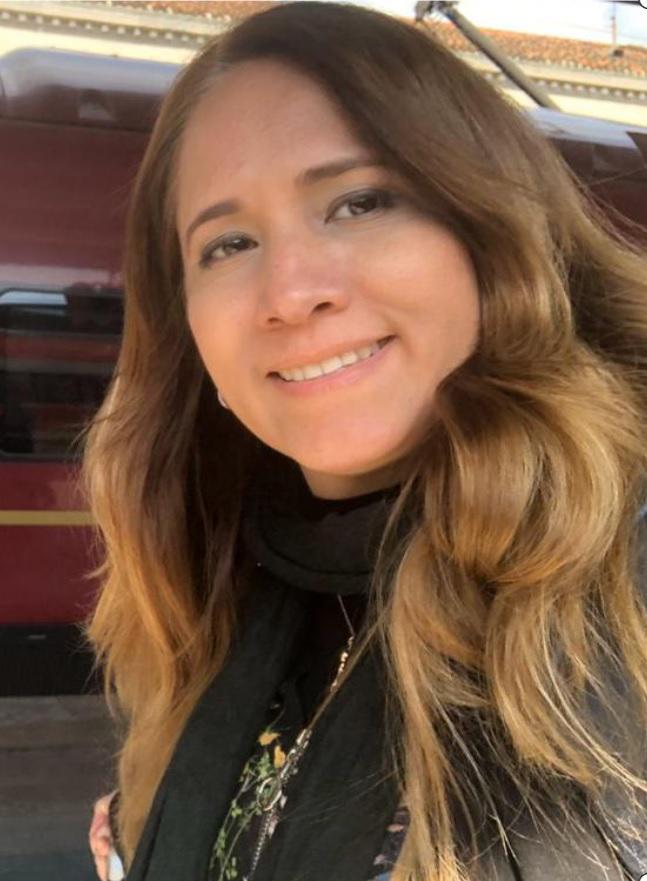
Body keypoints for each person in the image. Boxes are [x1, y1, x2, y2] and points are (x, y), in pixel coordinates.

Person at [85, 3, 647, 880]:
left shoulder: (624, 582)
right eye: (228, 243)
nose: (289, 291)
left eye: (358, 202)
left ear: (493, 239)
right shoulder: (211, 600)